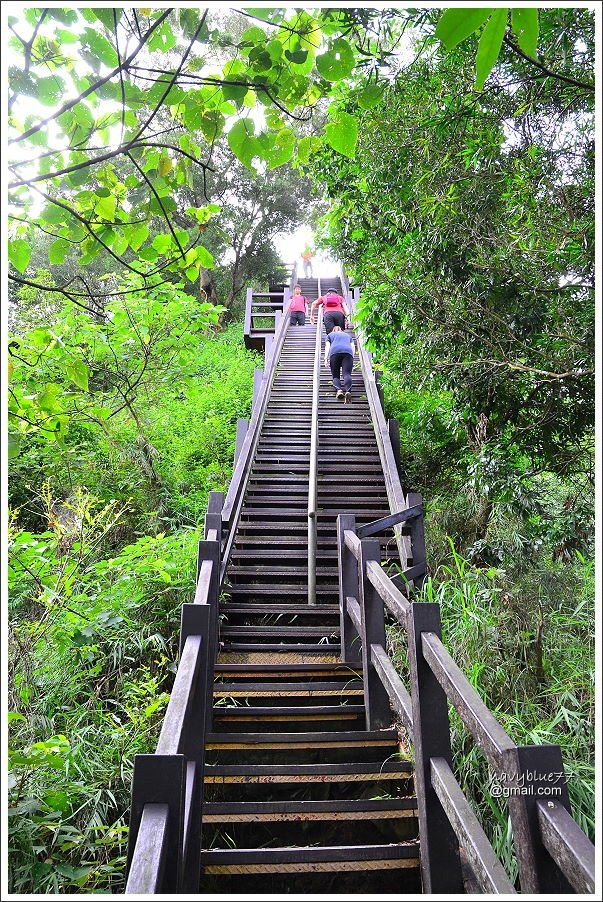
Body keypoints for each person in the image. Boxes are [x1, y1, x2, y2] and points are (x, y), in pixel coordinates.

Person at [324, 324, 356, 403]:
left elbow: (327, 346)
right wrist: (352, 356)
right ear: (341, 330)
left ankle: (339, 390)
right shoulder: (347, 336)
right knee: (347, 374)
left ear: (333, 330)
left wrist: (325, 358)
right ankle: (348, 391)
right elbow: (353, 346)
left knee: (335, 375)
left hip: (334, 353)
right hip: (348, 352)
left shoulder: (330, 335)